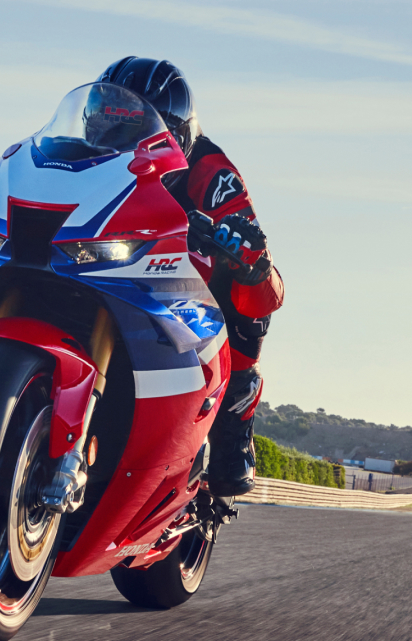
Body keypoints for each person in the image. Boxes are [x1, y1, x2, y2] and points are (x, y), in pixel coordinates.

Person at [97, 57, 285, 497]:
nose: (123, 140)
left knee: (251, 284)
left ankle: (236, 411)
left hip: (180, 283)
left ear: (177, 131)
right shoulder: (85, 154)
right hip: (100, 266)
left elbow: (255, 251)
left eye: (137, 127)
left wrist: (244, 251)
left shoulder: (211, 171)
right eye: (111, 123)